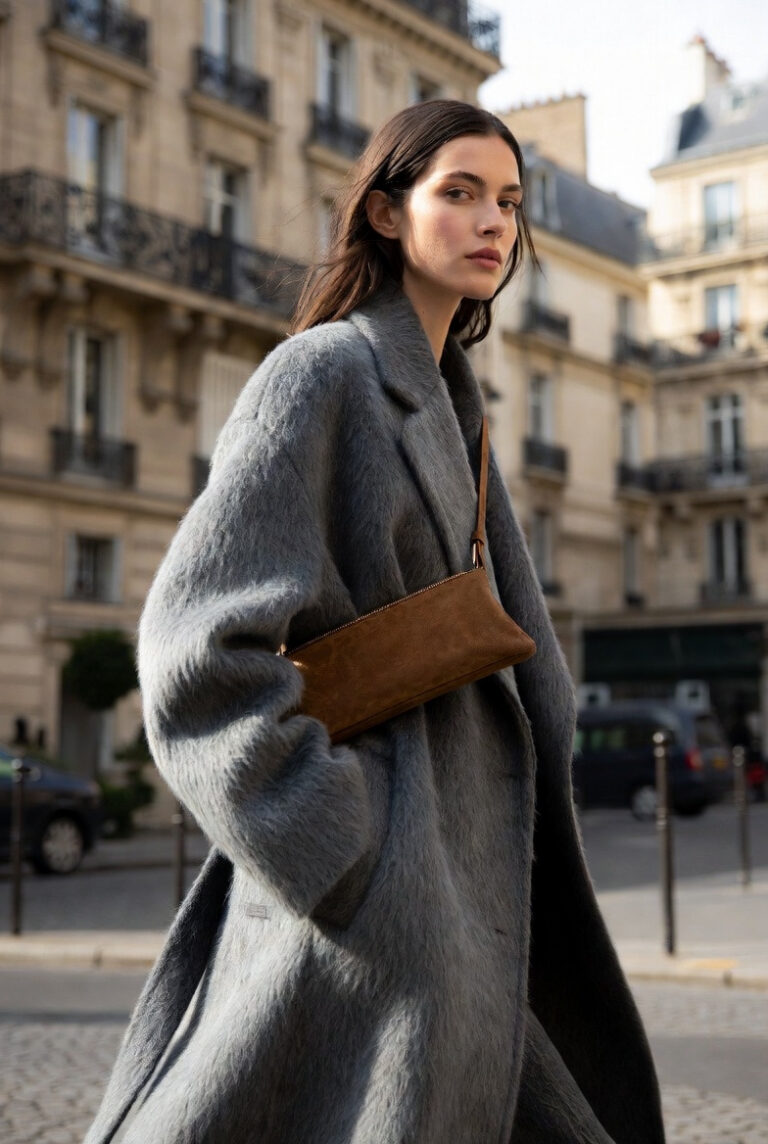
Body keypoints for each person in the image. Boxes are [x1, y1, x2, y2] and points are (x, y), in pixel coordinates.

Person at [84, 100, 665, 1144]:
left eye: (511, 202)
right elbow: (195, 654)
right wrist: (358, 863)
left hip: (470, 924)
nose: (496, 222)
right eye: (461, 193)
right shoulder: (324, 372)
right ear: (389, 214)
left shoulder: (451, 405)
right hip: (377, 941)